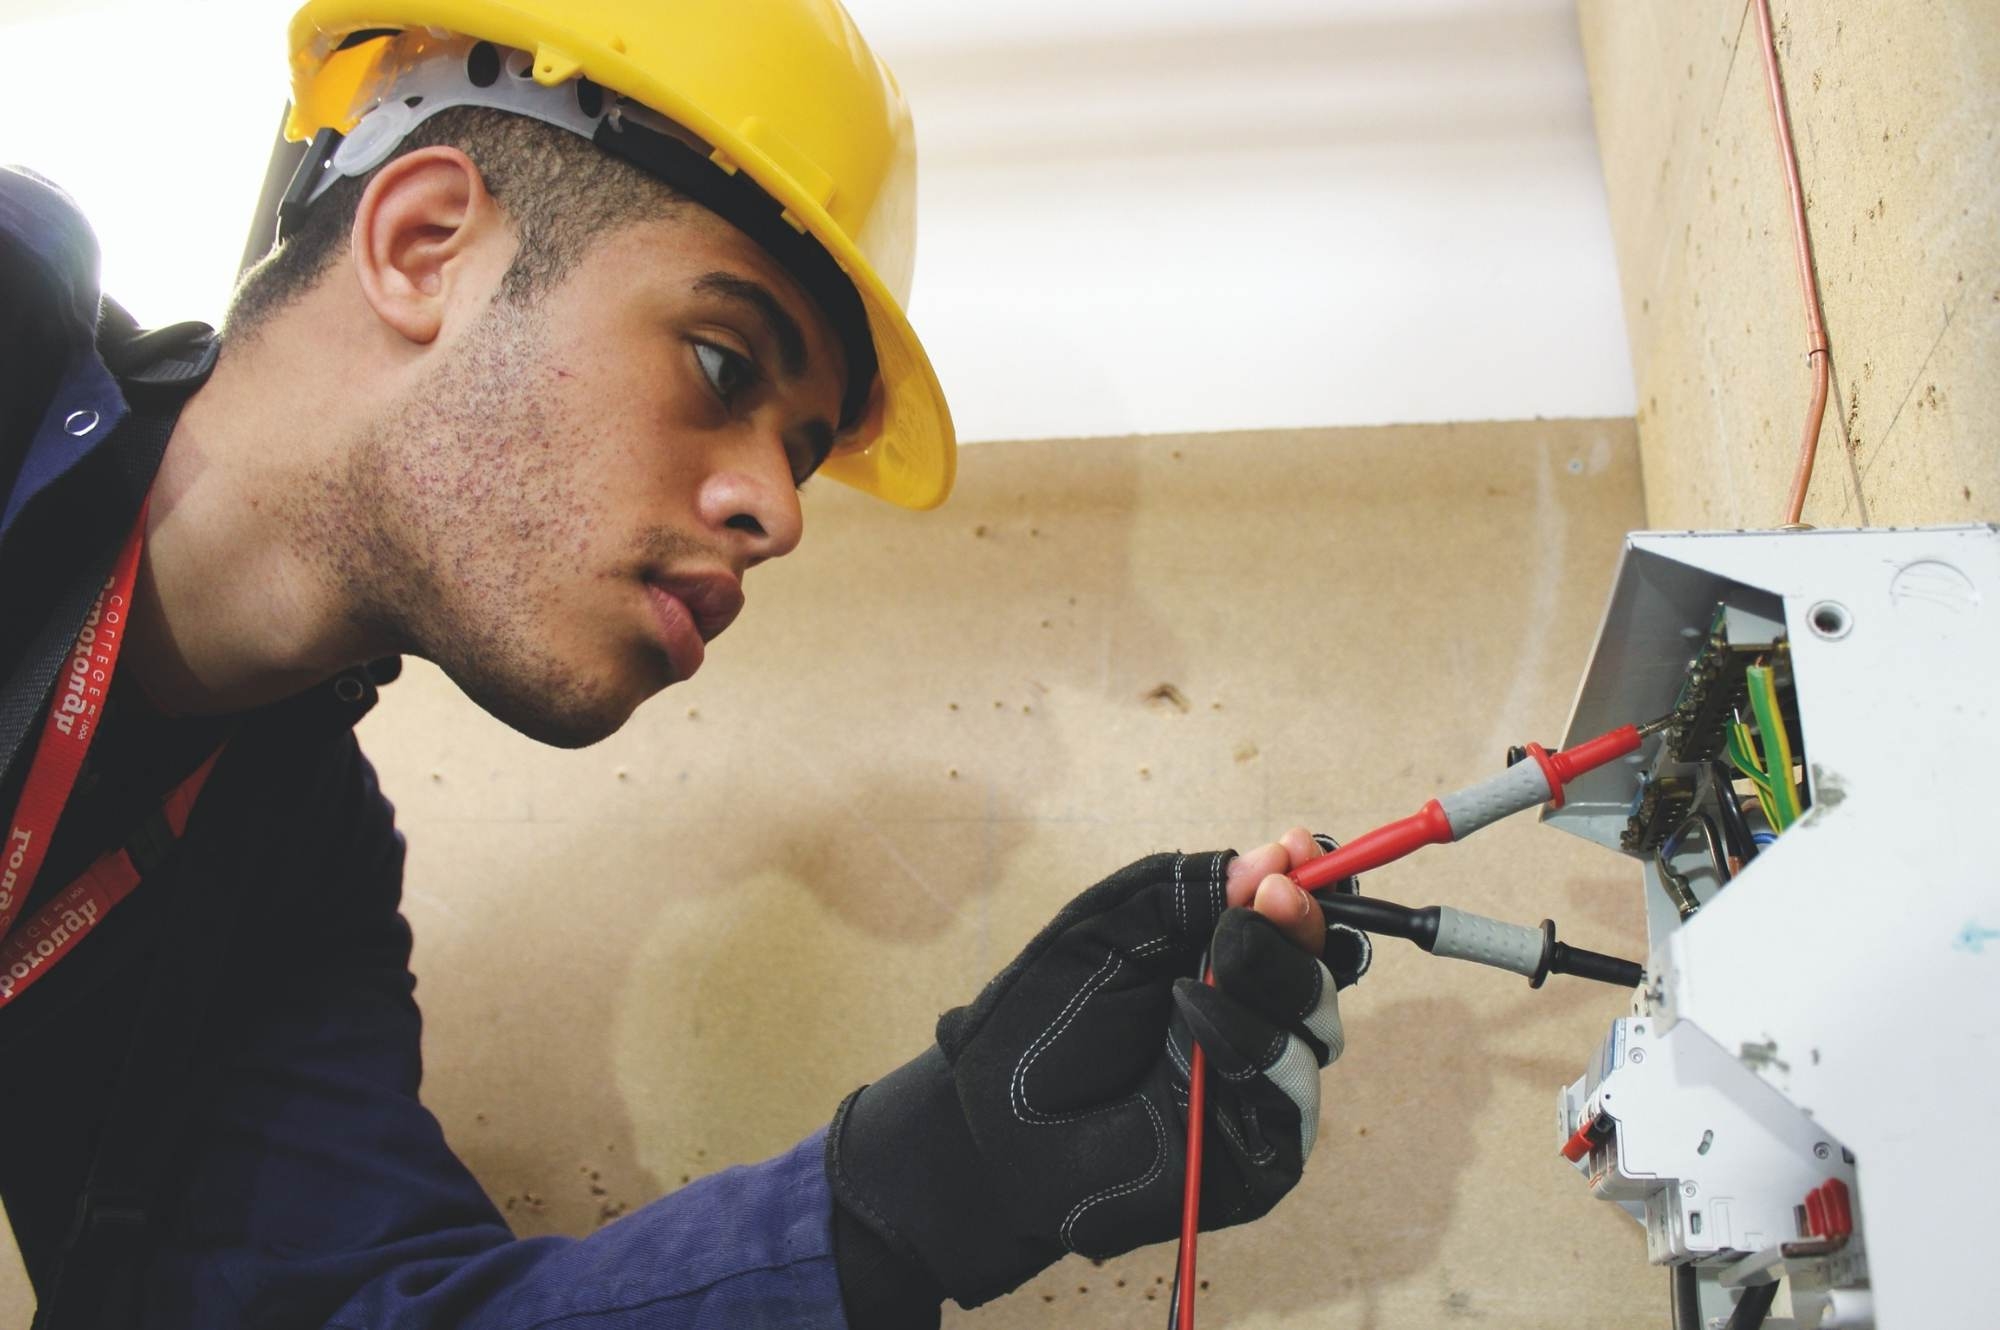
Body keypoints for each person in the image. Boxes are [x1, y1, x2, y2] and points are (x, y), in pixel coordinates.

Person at [0, 3, 1365, 1325]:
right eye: (723, 361)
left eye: (803, 448)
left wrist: (938, 1177)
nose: (780, 513)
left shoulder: (295, 878)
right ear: (422, 247)